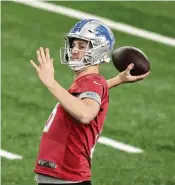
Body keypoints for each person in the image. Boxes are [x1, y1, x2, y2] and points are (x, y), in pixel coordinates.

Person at [30, 19, 149, 185]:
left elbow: (86, 113)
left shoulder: (91, 81)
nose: (74, 51)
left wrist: (51, 82)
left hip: (68, 177)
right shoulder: (89, 83)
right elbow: (90, 95)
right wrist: (116, 80)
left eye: (81, 46)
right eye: (73, 45)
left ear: (99, 50)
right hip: (60, 176)